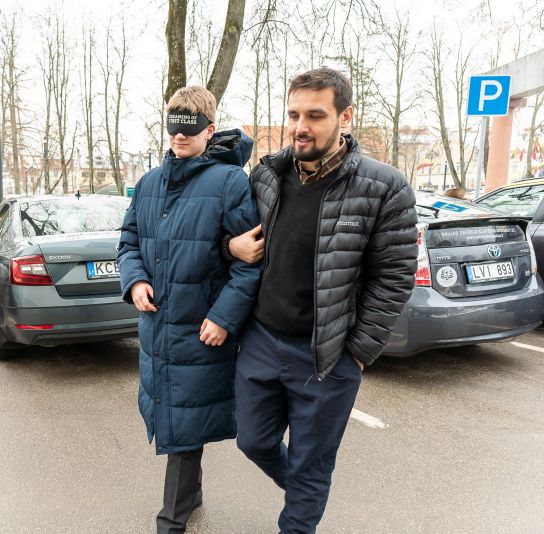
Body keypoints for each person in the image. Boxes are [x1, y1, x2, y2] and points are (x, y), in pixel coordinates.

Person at [223, 67, 418, 532]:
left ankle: (300, 513)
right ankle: (305, 493)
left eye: (314, 115)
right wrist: (230, 246)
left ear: (344, 117)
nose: (300, 127)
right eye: (293, 115)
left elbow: (394, 276)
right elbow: (233, 239)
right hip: (262, 340)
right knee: (252, 441)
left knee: (312, 463)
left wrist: (359, 351)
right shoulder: (267, 176)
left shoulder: (384, 187)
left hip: (327, 356)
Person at [117, 86, 261, 533]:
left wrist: (223, 317)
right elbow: (128, 243)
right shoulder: (148, 184)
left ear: (210, 130)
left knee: (182, 420)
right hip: (157, 326)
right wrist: (135, 280)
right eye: (173, 127)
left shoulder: (229, 182)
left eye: (190, 128)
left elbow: (251, 262)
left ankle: (171, 520)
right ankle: (191, 495)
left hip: (201, 328)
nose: (179, 136)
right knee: (177, 415)